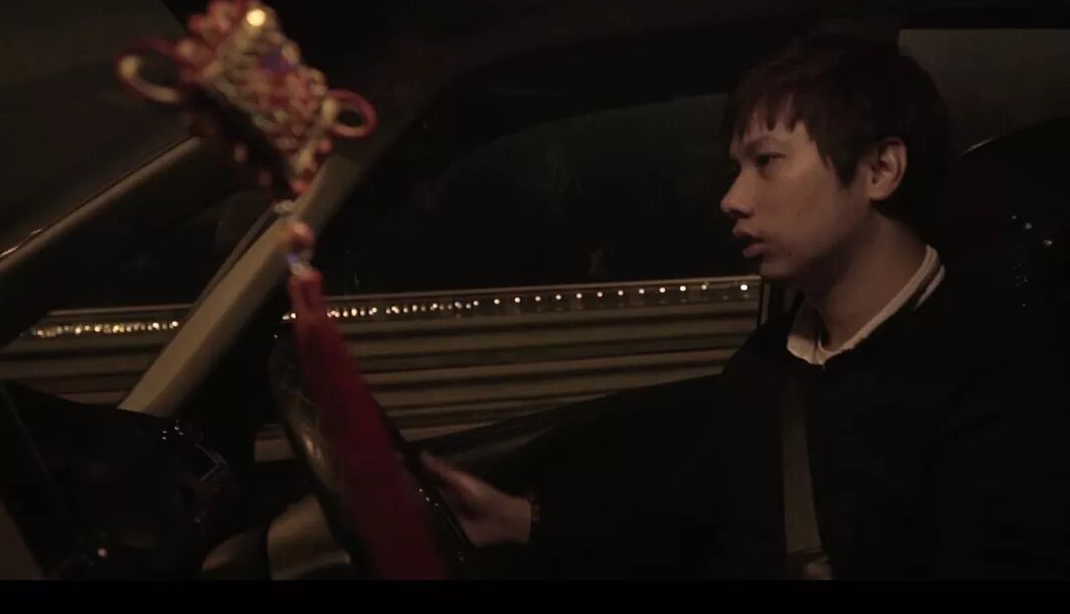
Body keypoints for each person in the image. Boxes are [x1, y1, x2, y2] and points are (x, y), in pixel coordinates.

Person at [420, 33, 1070, 579]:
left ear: (879, 170)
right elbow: (685, 532)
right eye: (737, 168)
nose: (732, 198)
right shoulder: (769, 366)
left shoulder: (1000, 372)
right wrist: (519, 519)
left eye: (767, 162)